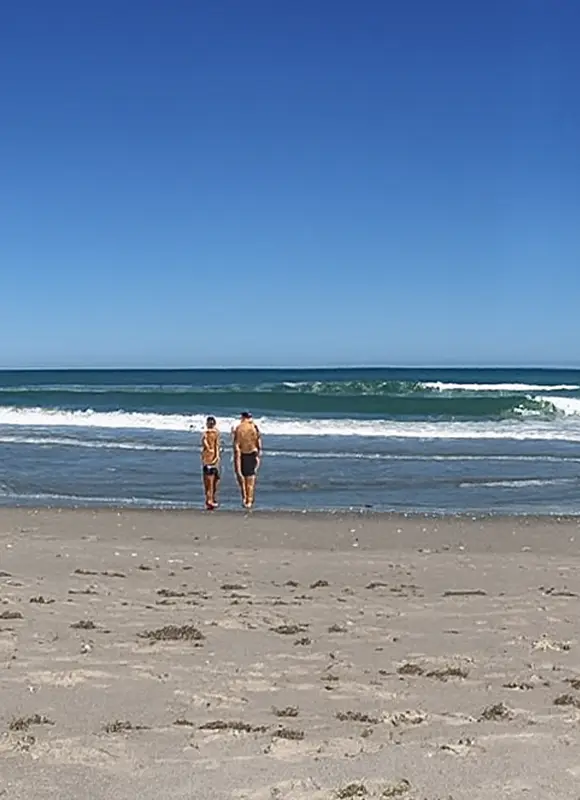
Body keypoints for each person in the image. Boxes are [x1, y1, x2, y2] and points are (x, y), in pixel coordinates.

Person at [232, 411, 262, 509]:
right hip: (252, 452)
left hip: (242, 453)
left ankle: (245, 498)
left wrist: (236, 456)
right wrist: (258, 454)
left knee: (242, 477)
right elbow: (259, 442)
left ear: (243, 417)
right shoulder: (254, 427)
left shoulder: (239, 428)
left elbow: (236, 444)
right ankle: (249, 500)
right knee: (251, 478)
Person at [201, 416, 220, 510]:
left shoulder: (214, 433)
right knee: (210, 481)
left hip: (210, 460)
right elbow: (206, 443)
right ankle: (210, 500)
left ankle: (210, 499)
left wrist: (216, 455)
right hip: (209, 460)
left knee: (212, 481)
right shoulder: (208, 433)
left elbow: (216, 445)